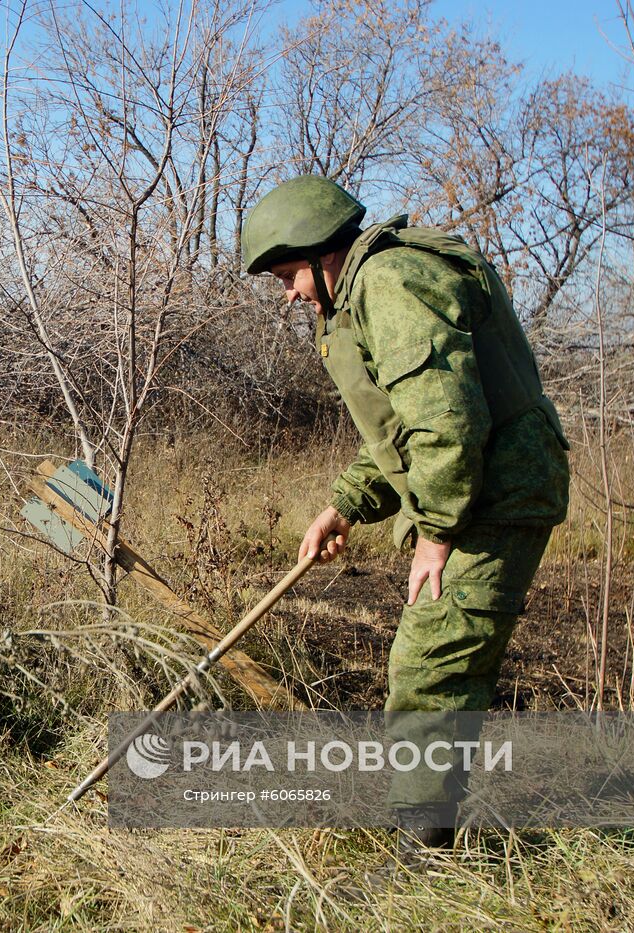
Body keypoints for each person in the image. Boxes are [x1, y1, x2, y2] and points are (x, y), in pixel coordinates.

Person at [241, 175, 570, 858]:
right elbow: (403, 429)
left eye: (287, 275)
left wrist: (439, 530)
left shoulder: (388, 283)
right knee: (441, 658)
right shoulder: (371, 287)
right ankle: (435, 832)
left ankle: (422, 855)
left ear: (317, 251)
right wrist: (346, 505)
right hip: (490, 486)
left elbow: (448, 422)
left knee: (430, 662)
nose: (290, 295)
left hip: (495, 493)